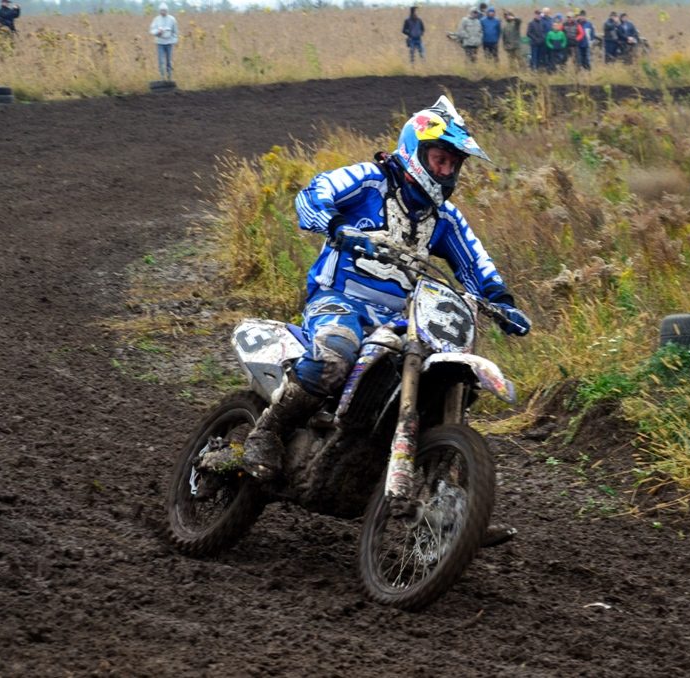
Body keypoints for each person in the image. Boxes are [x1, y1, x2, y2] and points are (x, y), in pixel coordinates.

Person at [223, 96, 530, 548]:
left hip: (399, 318)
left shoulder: (444, 218)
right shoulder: (368, 181)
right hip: (338, 299)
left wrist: (502, 302)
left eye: (453, 164)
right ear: (415, 151)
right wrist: (338, 227)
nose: (446, 171)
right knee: (335, 353)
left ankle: (452, 504)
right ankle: (267, 431)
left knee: (445, 381)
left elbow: (476, 263)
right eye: (440, 159)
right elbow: (313, 194)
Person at [149, 3, 178, 82]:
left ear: (167, 10)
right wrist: (158, 32)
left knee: (169, 61)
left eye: (164, 10)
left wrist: (174, 41)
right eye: (161, 10)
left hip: (169, 43)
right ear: (159, 11)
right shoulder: (156, 19)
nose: (163, 12)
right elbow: (151, 30)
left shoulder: (172, 19)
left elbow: (175, 32)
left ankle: (169, 77)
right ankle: (162, 78)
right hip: (160, 43)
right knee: (161, 61)